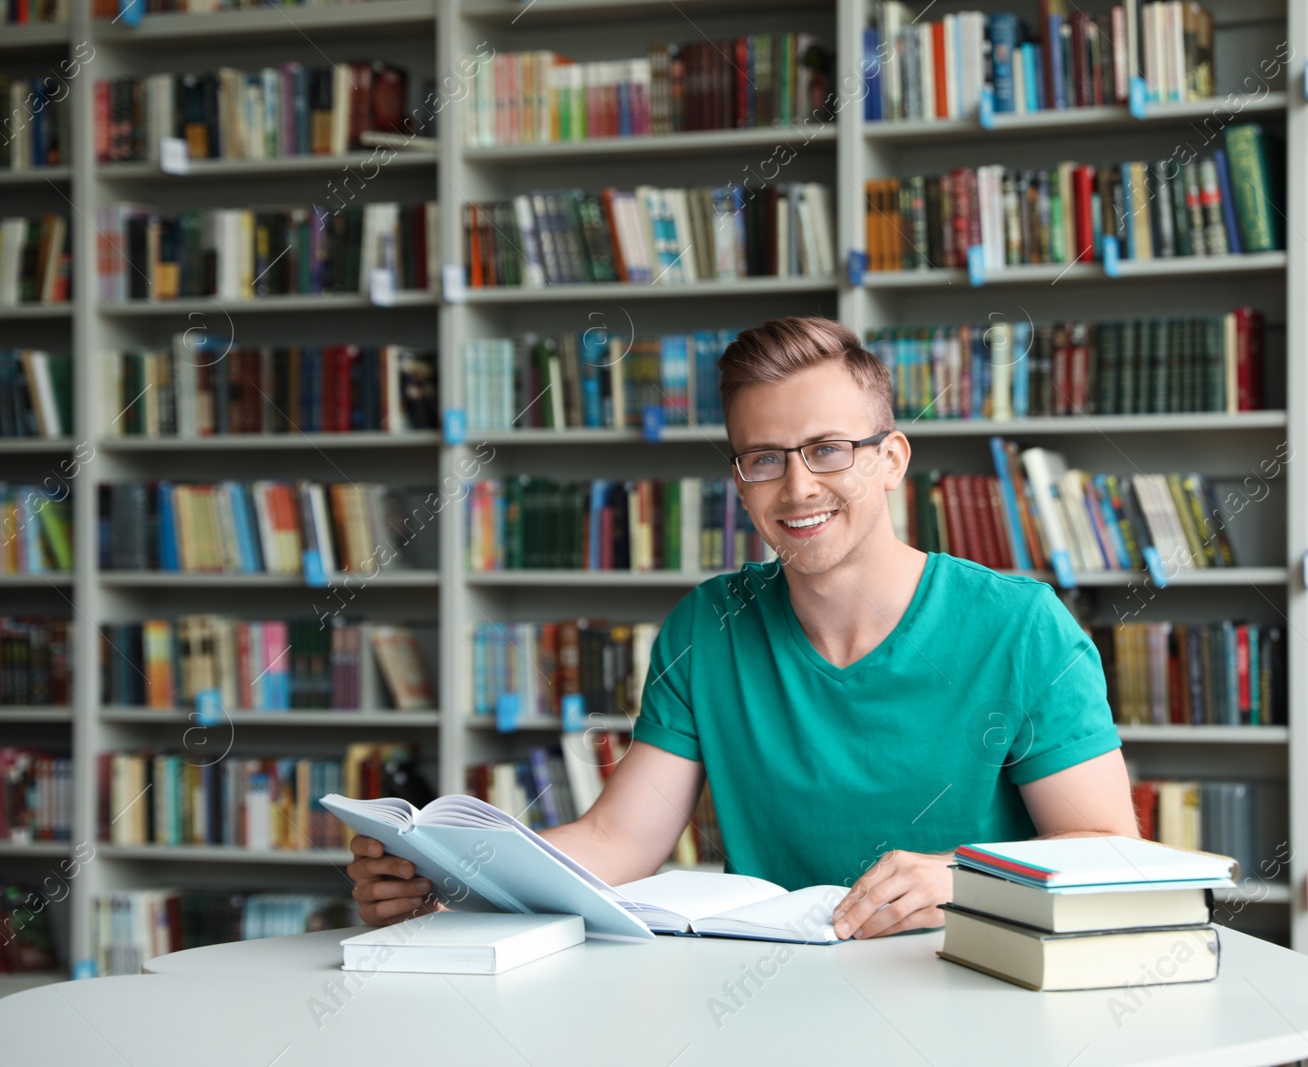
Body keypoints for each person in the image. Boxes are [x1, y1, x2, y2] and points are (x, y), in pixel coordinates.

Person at [348, 316, 1139, 940]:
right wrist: (449, 880)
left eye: (829, 450)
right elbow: (618, 840)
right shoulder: (708, 623)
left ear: (893, 458)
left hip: (971, 985)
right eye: (764, 458)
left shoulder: (1022, 626)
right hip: (772, 997)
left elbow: (1110, 851)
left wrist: (964, 879)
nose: (798, 488)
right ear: (740, 479)